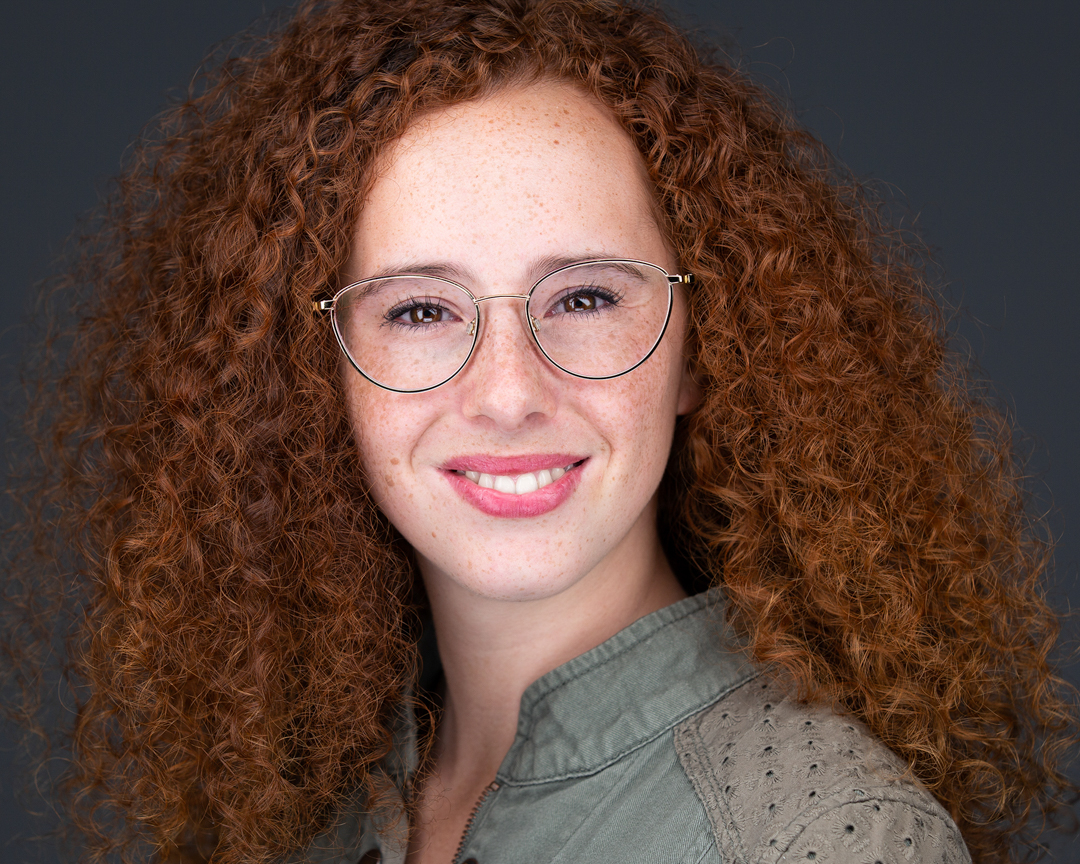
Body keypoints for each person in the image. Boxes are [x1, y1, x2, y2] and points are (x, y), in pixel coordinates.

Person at [2, 0, 1077, 862]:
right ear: (315, 373)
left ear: (705, 347)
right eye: (420, 312)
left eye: (586, 297)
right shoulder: (298, 813)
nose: (508, 392)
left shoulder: (823, 838)